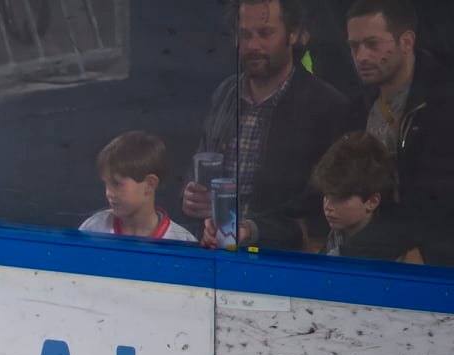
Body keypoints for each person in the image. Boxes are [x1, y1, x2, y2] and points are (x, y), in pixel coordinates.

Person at [184, 0, 351, 251]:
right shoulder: (225, 94)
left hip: (284, 261)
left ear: (293, 34)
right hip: (218, 249)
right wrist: (191, 197)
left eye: (265, 33)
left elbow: (321, 203)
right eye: (245, 34)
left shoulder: (327, 106)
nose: (253, 45)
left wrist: (252, 230)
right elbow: (201, 158)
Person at [344, 0, 454, 264]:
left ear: (406, 42)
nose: (361, 57)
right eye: (354, 46)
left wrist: (430, 252)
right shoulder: (357, 108)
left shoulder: (443, 105)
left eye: (372, 44)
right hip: (373, 241)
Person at [309, 129, 423, 257]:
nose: (328, 207)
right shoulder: (335, 235)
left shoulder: (395, 254)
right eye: (326, 195)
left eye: (340, 198)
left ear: (372, 202)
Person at [80, 131, 198, 242]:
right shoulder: (93, 228)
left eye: (117, 184)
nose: (108, 193)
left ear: (149, 184)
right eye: (106, 183)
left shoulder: (182, 241)